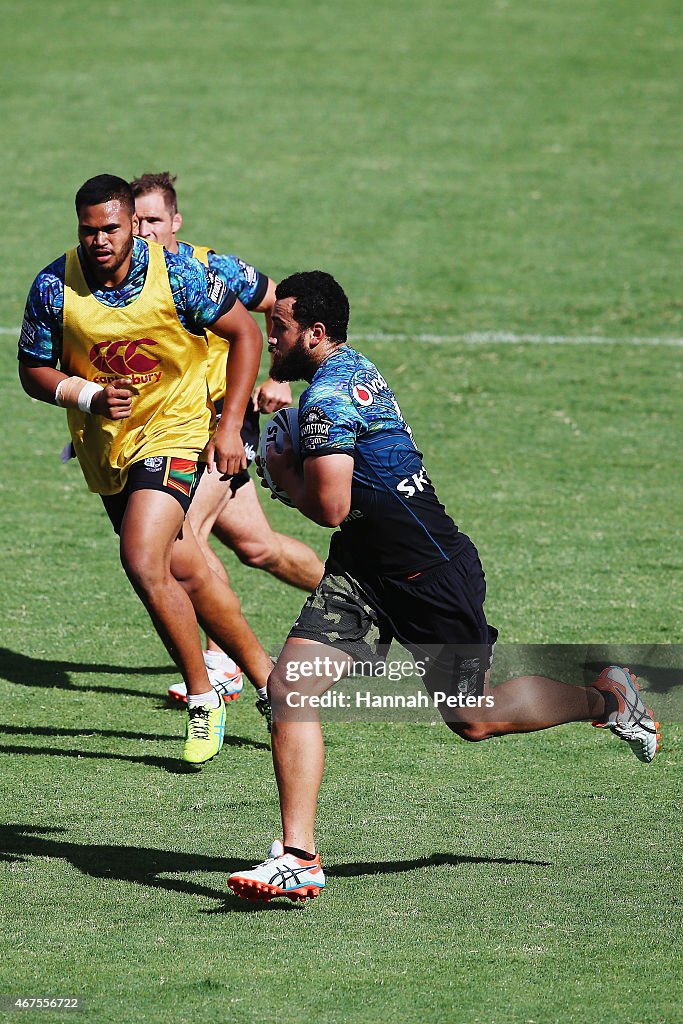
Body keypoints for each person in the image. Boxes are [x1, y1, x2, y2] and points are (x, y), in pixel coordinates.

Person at [227, 271, 661, 903]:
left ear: (315, 333)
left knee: (474, 718)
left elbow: (328, 506)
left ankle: (609, 699)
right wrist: (283, 398)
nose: (271, 339)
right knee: (290, 686)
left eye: (280, 329)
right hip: (364, 573)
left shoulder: (330, 402)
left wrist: (281, 469)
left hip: (428, 578)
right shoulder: (344, 370)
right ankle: (299, 857)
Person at [18, 174, 274, 765]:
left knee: (141, 556)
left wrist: (231, 424)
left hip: (177, 429)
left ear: (134, 223)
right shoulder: (54, 285)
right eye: (89, 230)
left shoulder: (178, 273)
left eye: (110, 228)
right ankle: (268, 681)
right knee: (184, 564)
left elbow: (244, 334)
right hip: (108, 444)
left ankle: (203, 698)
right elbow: (32, 371)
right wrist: (85, 395)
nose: (99, 240)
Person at [130, 173, 324, 703]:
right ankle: (367, 598)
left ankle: (221, 663)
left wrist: (280, 376)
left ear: (175, 221)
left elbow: (287, 306)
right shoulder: (128, 283)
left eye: (153, 220)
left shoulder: (212, 271)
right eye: (136, 221)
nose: (143, 231)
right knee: (258, 548)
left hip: (221, 428)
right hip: (166, 430)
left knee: (180, 540)